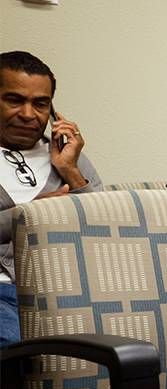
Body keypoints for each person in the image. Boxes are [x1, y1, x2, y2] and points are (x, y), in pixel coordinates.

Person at [0, 51, 102, 348]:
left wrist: (69, 169)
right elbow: (31, 217)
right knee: (20, 352)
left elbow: (102, 228)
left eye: (40, 104)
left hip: (66, 291)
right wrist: (31, 215)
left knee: (132, 350)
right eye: (15, 100)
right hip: (4, 291)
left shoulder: (68, 156)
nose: (29, 115)